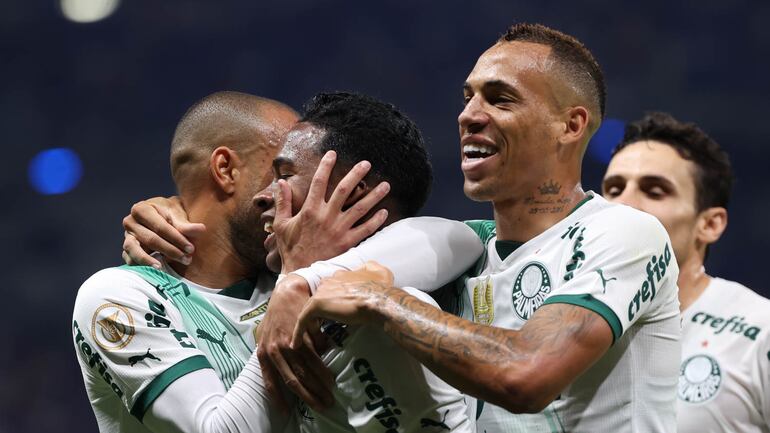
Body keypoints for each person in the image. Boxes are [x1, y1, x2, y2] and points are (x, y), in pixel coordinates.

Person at [285, 23, 681, 433]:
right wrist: (298, 280)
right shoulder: (464, 251)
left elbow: (526, 376)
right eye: (467, 97)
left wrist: (382, 301)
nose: (469, 115)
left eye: (500, 99)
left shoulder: (624, 232)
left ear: (571, 125)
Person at [116, 91, 483, 432]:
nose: (264, 195)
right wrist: (300, 274)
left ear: (352, 191)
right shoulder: (128, 293)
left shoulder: (383, 313)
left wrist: (305, 277)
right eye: (269, 174)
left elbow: (463, 238)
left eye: (285, 175)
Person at [602, 112, 770, 432]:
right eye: (613, 188)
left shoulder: (759, 333)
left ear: (709, 224)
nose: (623, 205)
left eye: (654, 191)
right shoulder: (562, 332)